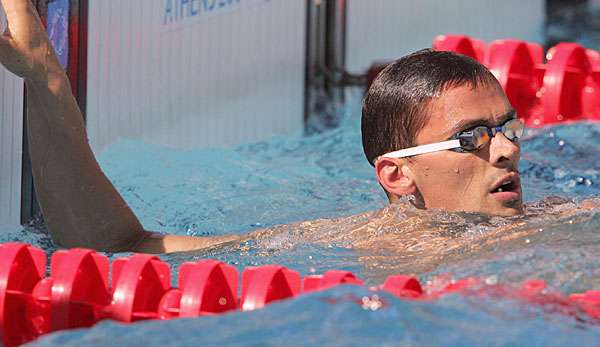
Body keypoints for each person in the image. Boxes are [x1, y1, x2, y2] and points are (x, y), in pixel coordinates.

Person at [0, 0, 593, 257]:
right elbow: (120, 249)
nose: (509, 148)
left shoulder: (568, 222)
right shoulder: (357, 246)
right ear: (397, 174)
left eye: (507, 126)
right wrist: (48, 83)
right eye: (474, 138)